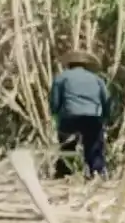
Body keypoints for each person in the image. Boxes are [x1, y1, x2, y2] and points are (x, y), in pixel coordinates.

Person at [48, 50, 112, 179]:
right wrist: (106, 116)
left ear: (69, 64)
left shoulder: (62, 78)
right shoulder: (97, 79)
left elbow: (55, 101)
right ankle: (97, 173)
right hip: (93, 116)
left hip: (70, 115)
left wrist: (55, 113)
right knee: (94, 146)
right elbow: (106, 99)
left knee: (67, 146)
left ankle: (64, 173)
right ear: (86, 65)